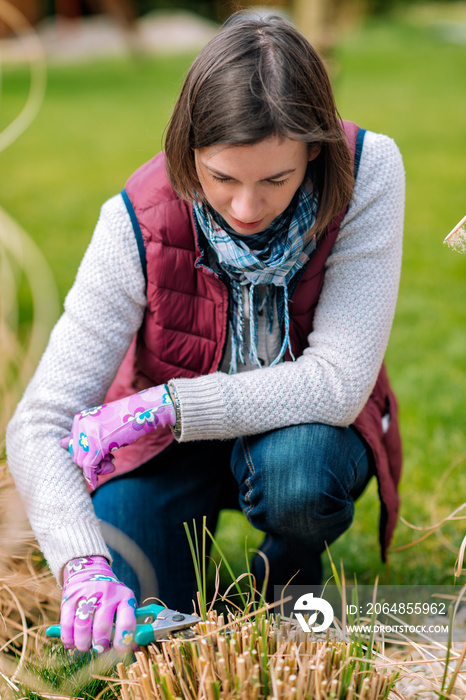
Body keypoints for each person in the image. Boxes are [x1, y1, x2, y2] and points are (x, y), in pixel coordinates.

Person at [6, 12, 404, 653]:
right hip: (164, 450)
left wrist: (168, 405)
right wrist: (81, 567)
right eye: (223, 179)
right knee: (139, 612)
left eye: (276, 180)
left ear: (314, 149)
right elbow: (38, 421)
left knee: (299, 479)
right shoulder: (137, 219)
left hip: (297, 433)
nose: (247, 209)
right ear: (189, 152)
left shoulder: (366, 171)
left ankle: (288, 585)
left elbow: (337, 385)